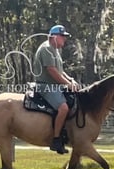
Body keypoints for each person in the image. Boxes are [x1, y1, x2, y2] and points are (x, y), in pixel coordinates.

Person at [33, 24, 80, 154]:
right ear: (54, 37)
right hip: (46, 86)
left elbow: (60, 71)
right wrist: (67, 84)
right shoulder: (47, 49)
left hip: (55, 85)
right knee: (63, 108)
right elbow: (52, 71)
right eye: (62, 37)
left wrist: (70, 80)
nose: (64, 40)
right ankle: (56, 139)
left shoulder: (55, 50)